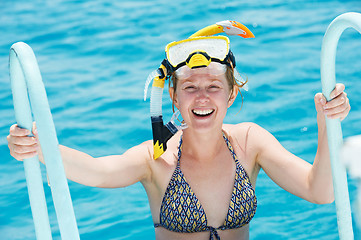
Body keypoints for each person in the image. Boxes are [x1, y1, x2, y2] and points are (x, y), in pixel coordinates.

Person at [7, 21, 351, 240]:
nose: (202, 96)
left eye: (214, 86)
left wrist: (327, 122)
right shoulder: (155, 158)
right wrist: (41, 148)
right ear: (173, 96)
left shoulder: (250, 142)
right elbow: (97, 171)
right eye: (189, 88)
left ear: (231, 93)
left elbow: (320, 192)